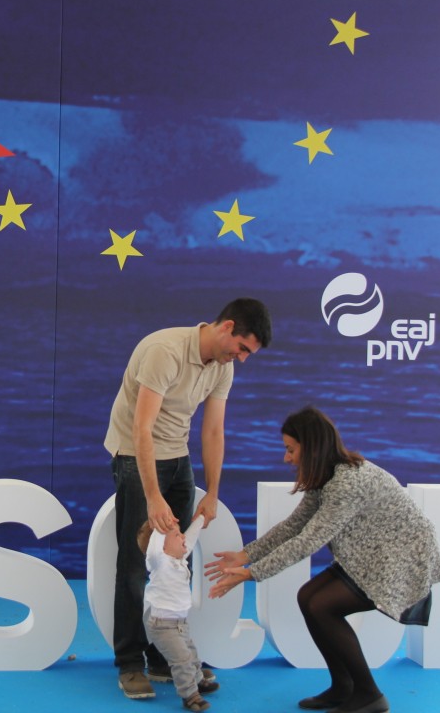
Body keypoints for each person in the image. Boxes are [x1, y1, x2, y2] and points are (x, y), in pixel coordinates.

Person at [206, 406, 440, 713]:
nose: (286, 458)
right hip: (372, 554)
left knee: (323, 606)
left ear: (311, 447)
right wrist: (245, 555)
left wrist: (252, 573)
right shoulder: (327, 475)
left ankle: (369, 695)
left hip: (401, 559)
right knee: (308, 597)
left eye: (291, 450)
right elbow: (294, 525)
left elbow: (307, 542)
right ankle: (343, 687)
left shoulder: (346, 483)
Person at [106, 298, 272, 699]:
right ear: (226, 327)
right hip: (135, 455)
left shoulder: (223, 366)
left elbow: (213, 431)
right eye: (242, 348)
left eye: (248, 354)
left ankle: (165, 657)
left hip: (178, 458)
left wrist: (212, 492)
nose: (242, 358)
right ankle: (130, 662)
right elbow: (142, 428)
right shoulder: (164, 351)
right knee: (135, 565)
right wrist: (152, 497)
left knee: (176, 561)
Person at [139, 517, 220, 711]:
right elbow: (155, 545)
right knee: (182, 659)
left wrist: (201, 519)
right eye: (177, 535)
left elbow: (190, 538)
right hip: (163, 626)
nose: (183, 537)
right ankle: (190, 695)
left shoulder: (179, 559)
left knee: (191, 654)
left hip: (180, 623)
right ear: (161, 545)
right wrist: (159, 524)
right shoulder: (159, 561)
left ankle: (197, 681)